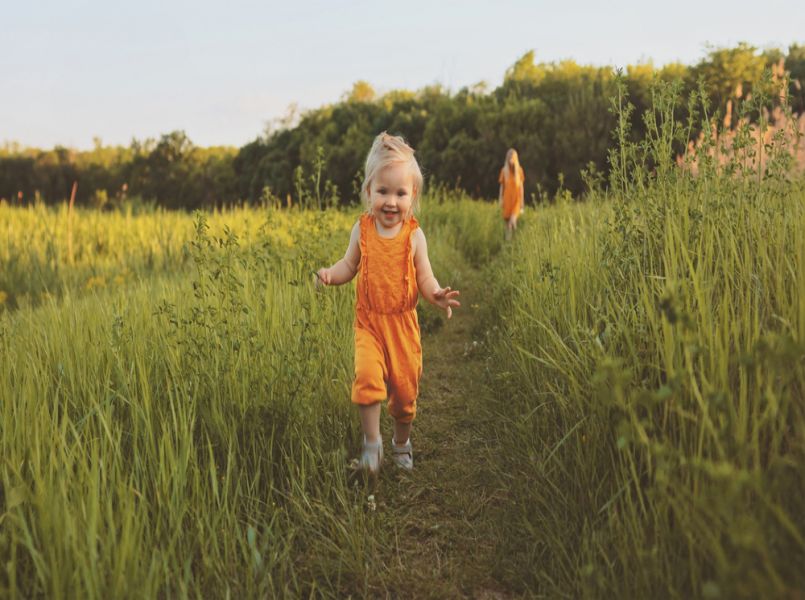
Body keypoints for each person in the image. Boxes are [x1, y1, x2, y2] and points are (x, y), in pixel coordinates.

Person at [316, 132, 460, 475]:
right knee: (366, 378)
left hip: (402, 326)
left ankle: (400, 444)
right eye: (383, 192)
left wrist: (436, 293)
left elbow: (424, 277)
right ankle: (372, 445)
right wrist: (329, 275)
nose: (391, 202)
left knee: (405, 395)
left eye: (400, 193)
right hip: (369, 322)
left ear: (413, 196)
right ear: (369, 192)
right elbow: (349, 266)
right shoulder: (362, 230)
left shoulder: (414, 236)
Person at [498, 148, 525, 240]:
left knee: (512, 221)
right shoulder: (504, 171)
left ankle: (515, 240)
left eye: (512, 158)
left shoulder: (520, 171)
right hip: (507, 200)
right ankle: (510, 244)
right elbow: (502, 187)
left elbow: (521, 188)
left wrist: (522, 202)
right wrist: (500, 199)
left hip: (516, 200)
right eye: (509, 158)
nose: (511, 161)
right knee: (508, 225)